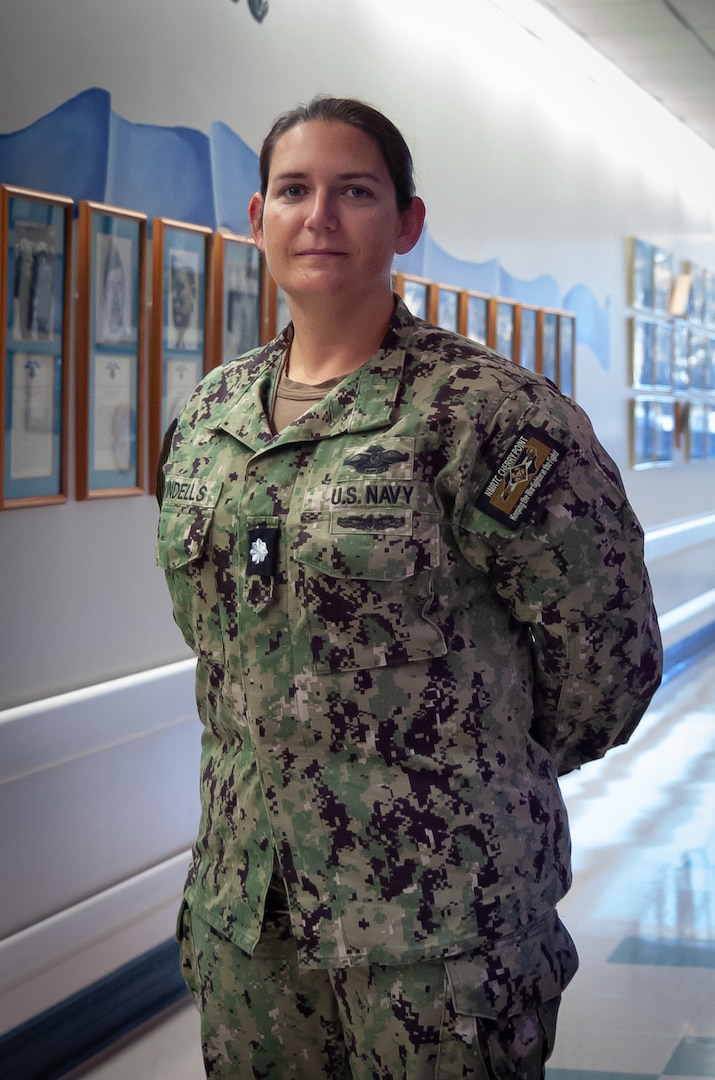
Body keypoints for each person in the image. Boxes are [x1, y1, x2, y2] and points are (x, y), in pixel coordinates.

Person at [155, 96, 662, 1079]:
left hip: (442, 931)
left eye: (355, 191)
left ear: (407, 222)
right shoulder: (210, 420)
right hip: (251, 921)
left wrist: (468, 775)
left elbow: (607, 658)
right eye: (296, 192)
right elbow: (218, 638)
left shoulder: (491, 420)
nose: (321, 217)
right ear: (258, 215)